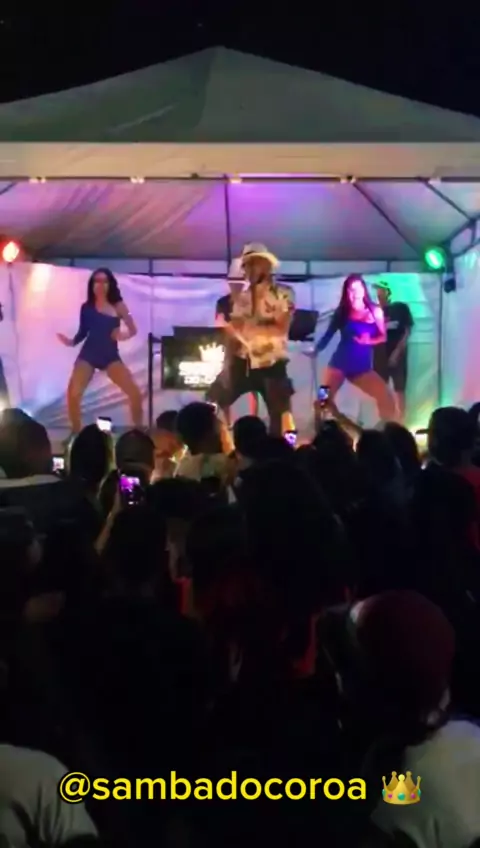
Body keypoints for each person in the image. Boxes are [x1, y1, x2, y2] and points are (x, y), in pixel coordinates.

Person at [209, 243, 295, 437]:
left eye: (252, 264)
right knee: (213, 399)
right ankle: (218, 440)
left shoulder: (283, 293)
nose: (247, 270)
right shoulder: (243, 297)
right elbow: (237, 332)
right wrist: (231, 335)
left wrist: (248, 328)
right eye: (246, 265)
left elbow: (281, 330)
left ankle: (280, 449)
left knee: (280, 414)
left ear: (265, 265)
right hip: (242, 363)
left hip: (271, 362)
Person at [57, 267, 143, 433]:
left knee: (134, 393)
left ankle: (138, 432)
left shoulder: (119, 306)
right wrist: (71, 342)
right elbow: (83, 332)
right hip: (89, 354)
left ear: (110, 284)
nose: (100, 285)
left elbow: (133, 330)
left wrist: (122, 335)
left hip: (110, 355)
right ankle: (76, 433)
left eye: (104, 281)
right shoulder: (87, 307)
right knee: (73, 393)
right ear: (92, 284)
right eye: (97, 281)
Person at [312, 274, 396, 422]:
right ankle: (319, 428)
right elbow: (328, 335)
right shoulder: (342, 312)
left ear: (364, 290)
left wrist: (368, 340)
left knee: (386, 396)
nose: (355, 293)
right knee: (323, 399)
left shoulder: (375, 311)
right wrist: (316, 349)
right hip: (339, 364)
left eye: (358, 289)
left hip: (361, 368)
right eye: (351, 290)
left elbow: (383, 336)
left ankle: (387, 428)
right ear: (347, 292)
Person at [207, 283, 260, 426]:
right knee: (226, 384)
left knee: (254, 384)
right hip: (230, 348)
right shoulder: (223, 302)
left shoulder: (250, 301)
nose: (236, 286)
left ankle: (254, 420)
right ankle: (229, 422)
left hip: (249, 347)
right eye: (233, 283)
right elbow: (219, 323)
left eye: (239, 284)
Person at [373, 280, 414, 422]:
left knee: (399, 389)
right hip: (379, 355)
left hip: (397, 354)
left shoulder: (400, 308)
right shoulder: (374, 311)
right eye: (378, 292)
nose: (379, 294)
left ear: (388, 292)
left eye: (382, 291)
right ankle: (384, 420)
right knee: (380, 389)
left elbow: (407, 332)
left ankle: (400, 421)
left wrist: (397, 352)